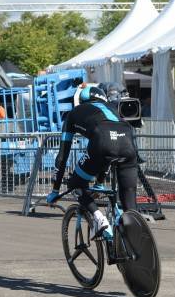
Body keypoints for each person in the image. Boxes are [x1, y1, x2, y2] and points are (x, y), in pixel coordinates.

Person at [46, 85, 138, 240]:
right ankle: (135, 235)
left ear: (81, 101)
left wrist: (55, 190)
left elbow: (62, 156)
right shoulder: (112, 107)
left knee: (76, 183)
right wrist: (100, 183)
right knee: (129, 201)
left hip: (102, 141)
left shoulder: (74, 113)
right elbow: (111, 147)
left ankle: (99, 219)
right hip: (128, 141)